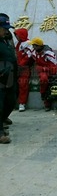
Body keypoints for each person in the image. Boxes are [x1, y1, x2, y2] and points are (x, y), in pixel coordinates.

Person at [0, 14, 17, 144]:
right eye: (4, 28)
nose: (6, 30)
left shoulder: (6, 38)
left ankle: (2, 120)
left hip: (9, 77)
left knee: (11, 101)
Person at [29, 37, 57, 111]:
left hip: (50, 71)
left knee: (45, 80)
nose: (33, 47)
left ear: (39, 46)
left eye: (34, 45)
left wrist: (45, 69)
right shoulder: (34, 52)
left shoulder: (48, 53)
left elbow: (55, 65)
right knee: (43, 79)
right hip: (42, 73)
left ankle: (45, 99)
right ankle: (45, 99)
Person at [14, 28, 34, 112]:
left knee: (23, 85)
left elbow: (29, 55)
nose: (16, 37)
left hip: (24, 68)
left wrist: (21, 64)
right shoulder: (17, 44)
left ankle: (22, 103)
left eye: (17, 35)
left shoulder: (29, 44)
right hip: (15, 67)